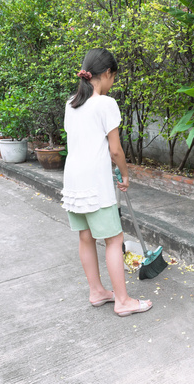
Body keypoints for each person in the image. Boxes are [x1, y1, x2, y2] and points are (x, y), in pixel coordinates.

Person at [61, 48, 152, 317]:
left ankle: (97, 292)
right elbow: (115, 150)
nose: (113, 83)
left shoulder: (71, 103)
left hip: (73, 179)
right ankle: (123, 301)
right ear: (107, 73)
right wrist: (125, 174)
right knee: (114, 239)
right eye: (114, 77)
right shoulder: (106, 104)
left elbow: (81, 143)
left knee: (86, 236)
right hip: (94, 182)